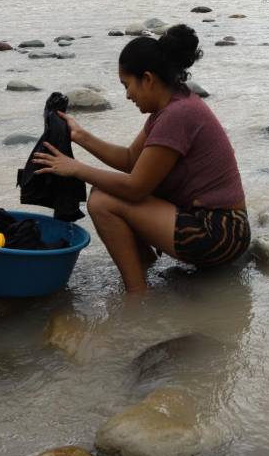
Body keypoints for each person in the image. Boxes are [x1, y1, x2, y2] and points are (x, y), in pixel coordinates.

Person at [32, 25, 249, 293]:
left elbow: (135, 188)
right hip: (215, 226)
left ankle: (137, 296)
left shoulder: (177, 115)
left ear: (147, 79)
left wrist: (76, 169)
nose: (127, 95)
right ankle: (144, 264)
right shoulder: (171, 107)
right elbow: (130, 159)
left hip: (221, 233)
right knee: (105, 191)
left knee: (102, 200)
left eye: (127, 85)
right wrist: (80, 136)